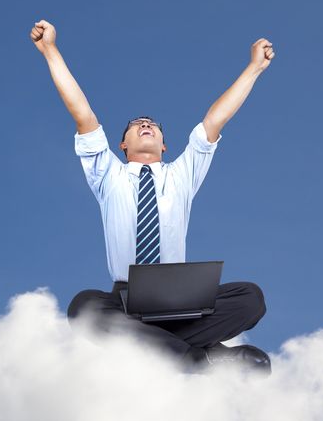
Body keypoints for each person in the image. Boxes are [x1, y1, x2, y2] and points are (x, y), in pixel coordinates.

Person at [29, 19, 273, 373]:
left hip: (182, 299)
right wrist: (51, 51)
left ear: (164, 144)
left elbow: (215, 120)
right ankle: (204, 358)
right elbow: (81, 112)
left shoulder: (181, 175)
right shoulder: (107, 174)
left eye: (153, 126)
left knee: (251, 299)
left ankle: (162, 348)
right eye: (135, 125)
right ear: (122, 144)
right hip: (126, 299)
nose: (146, 125)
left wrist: (254, 68)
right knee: (83, 308)